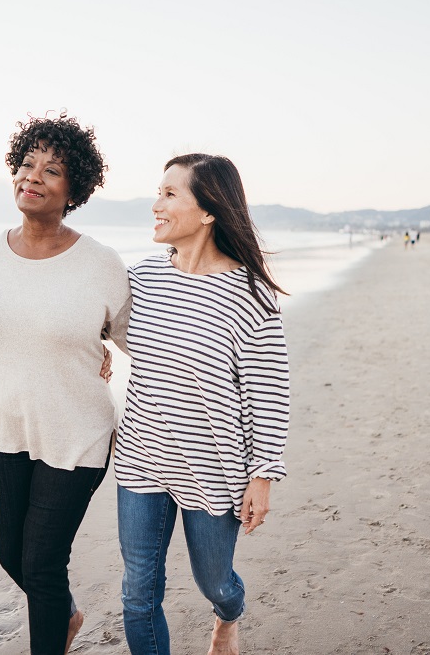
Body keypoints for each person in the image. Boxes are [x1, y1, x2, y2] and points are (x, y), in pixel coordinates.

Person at [0, 113, 131, 655]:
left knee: (40, 562)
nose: (32, 176)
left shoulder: (101, 263)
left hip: (77, 434)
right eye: (26, 163)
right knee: (13, 557)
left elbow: (141, 344)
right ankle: (66, 616)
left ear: (74, 188)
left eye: (52, 169)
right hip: (4, 428)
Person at [115, 154, 291, 655]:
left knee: (215, 583)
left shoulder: (250, 295)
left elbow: (269, 394)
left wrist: (263, 476)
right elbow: (100, 325)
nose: (156, 205)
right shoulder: (143, 278)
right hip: (141, 459)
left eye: (170, 194)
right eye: (159, 192)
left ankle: (228, 617)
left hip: (213, 469)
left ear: (209, 210)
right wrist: (96, 354)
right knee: (138, 593)